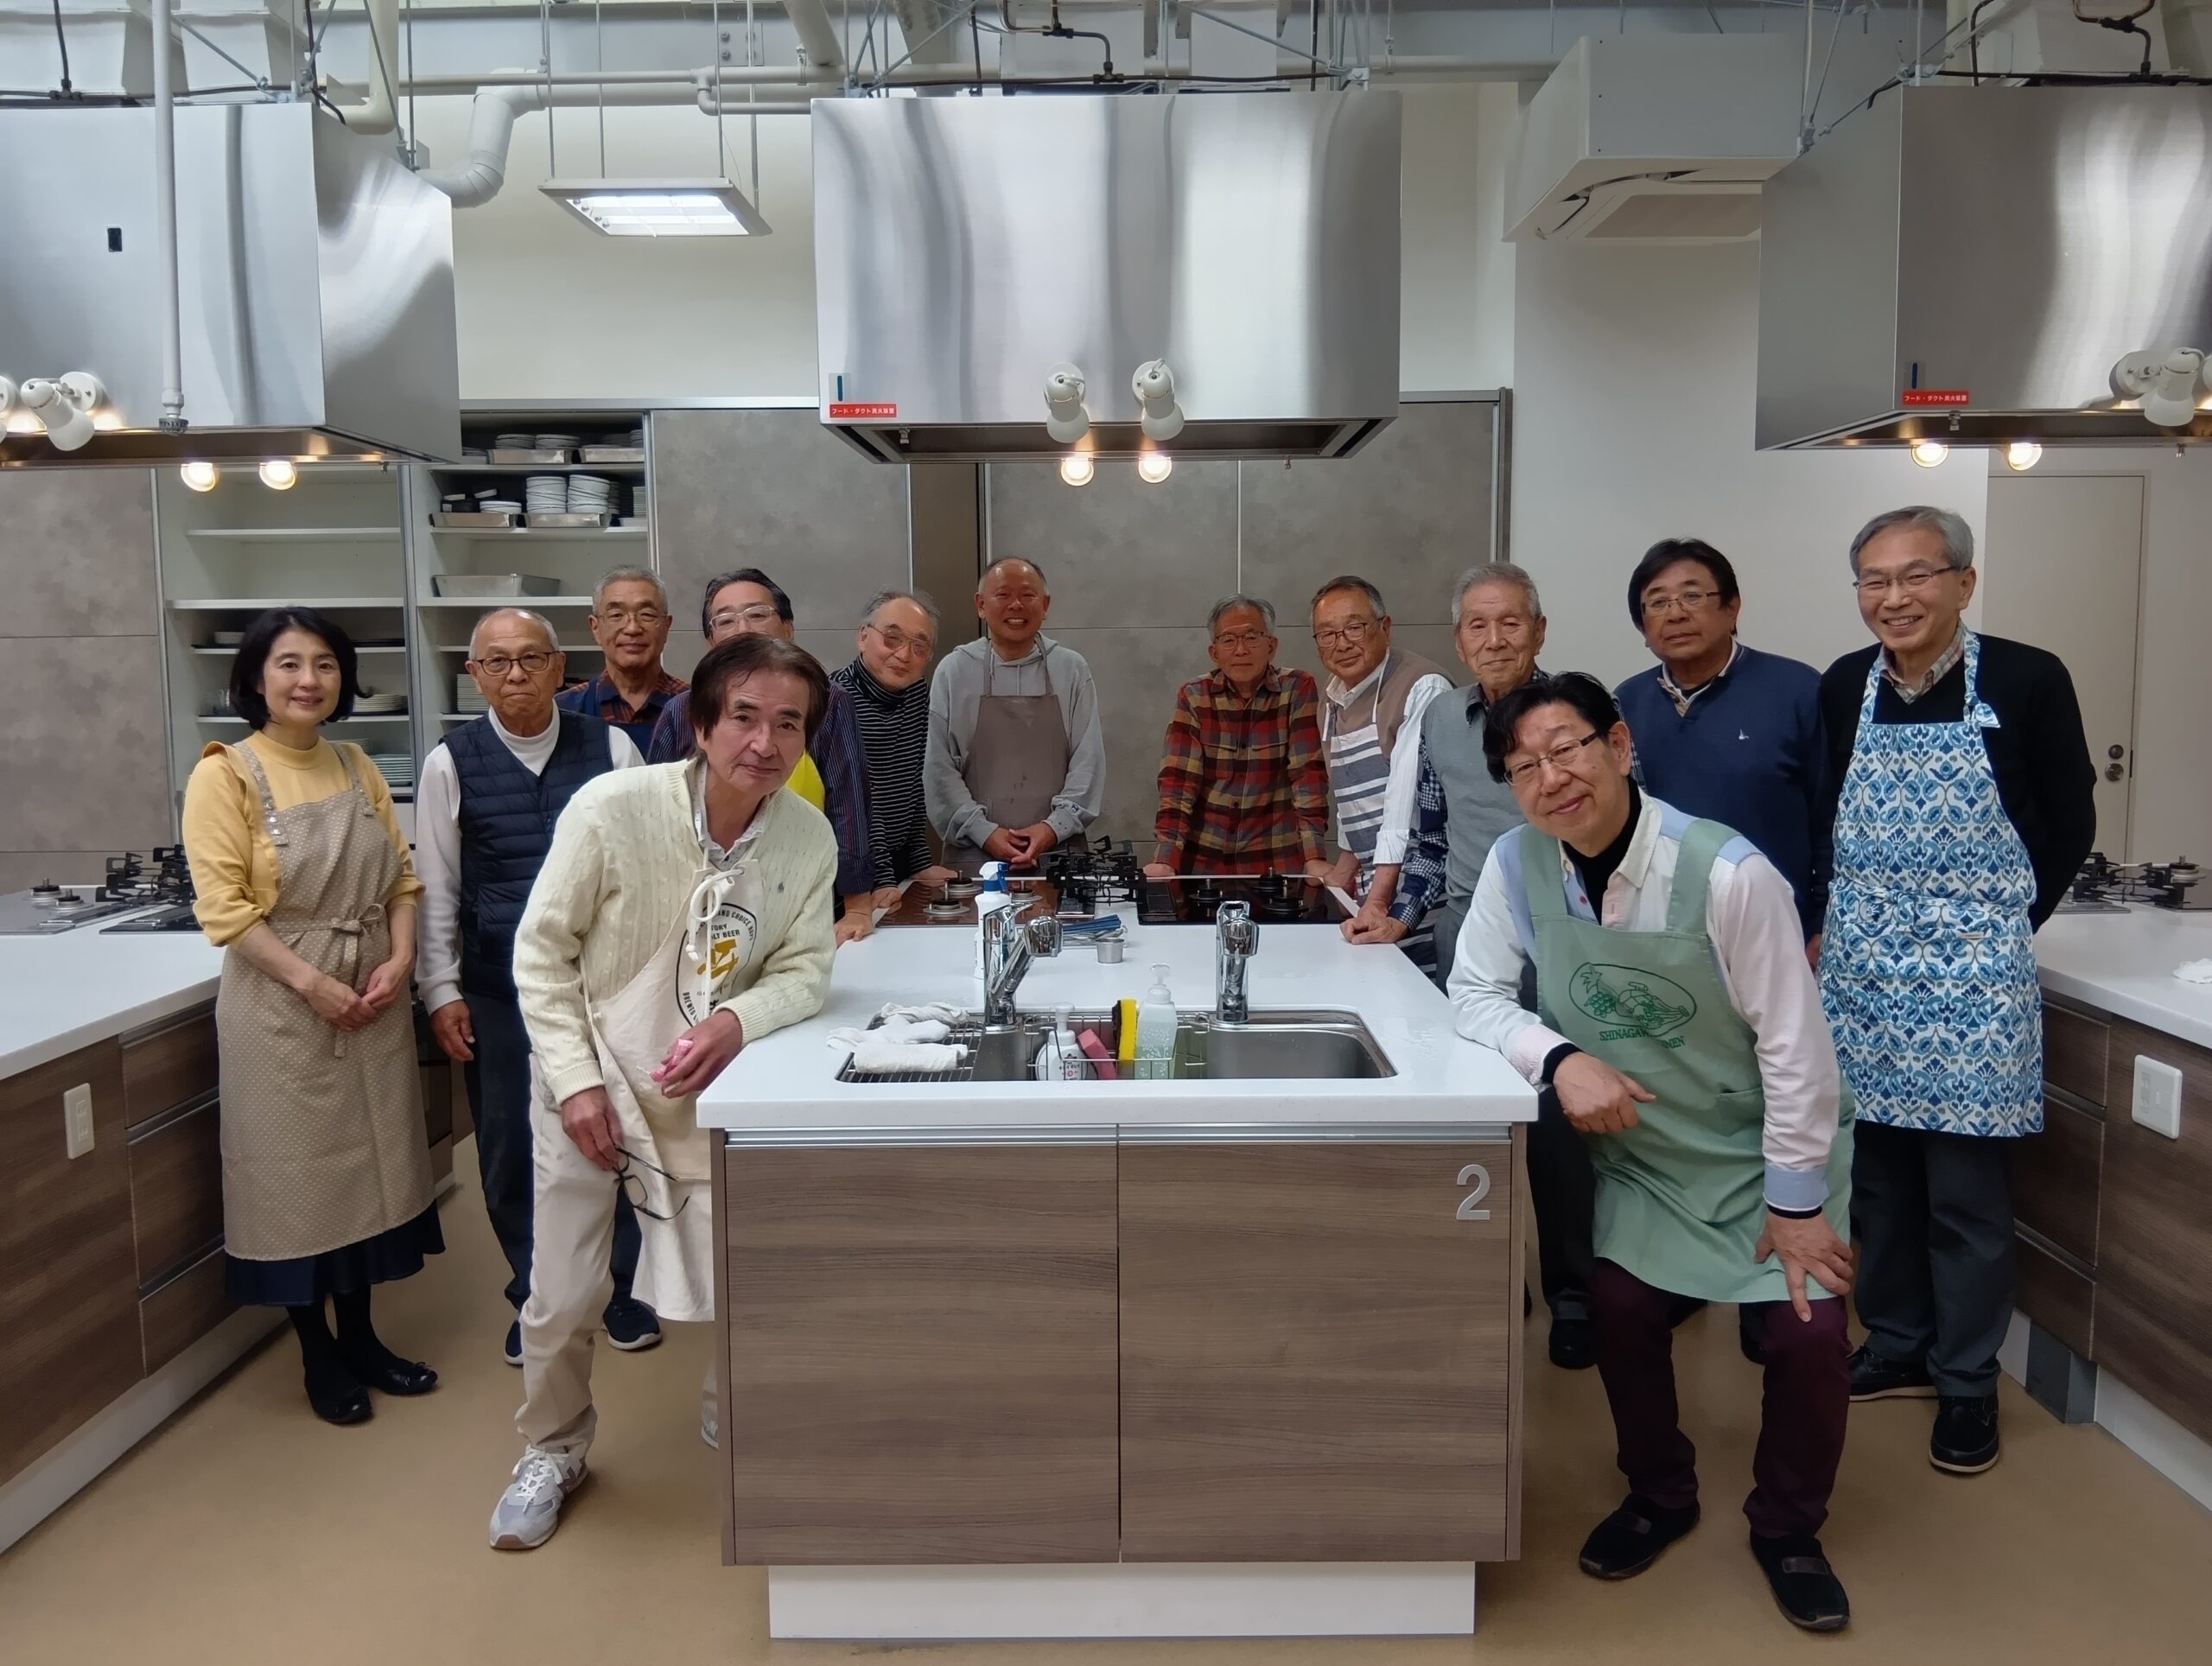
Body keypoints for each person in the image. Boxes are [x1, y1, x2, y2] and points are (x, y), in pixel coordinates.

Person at [1449, 671, 1856, 1633]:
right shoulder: (1516, 864)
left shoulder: (1728, 875)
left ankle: (1788, 1525)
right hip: (1646, 1154)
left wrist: (1796, 1203)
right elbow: (1474, 993)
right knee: (1621, 1311)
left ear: (1620, 746)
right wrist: (1558, 1058)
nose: (1551, 778)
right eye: (1524, 767)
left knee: (1807, 1336)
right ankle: (1660, 1491)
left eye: (1566, 748)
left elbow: (1797, 1049)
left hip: (1765, 1150)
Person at [490, 634, 838, 1551]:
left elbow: (806, 969)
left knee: (740, 1270)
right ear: (702, 723)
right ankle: (552, 1447)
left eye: (789, 723)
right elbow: (541, 954)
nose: (764, 742)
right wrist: (574, 1084)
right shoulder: (612, 809)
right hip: (592, 1077)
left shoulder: (806, 835)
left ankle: (734, 1410)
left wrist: (734, 1022)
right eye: (744, 717)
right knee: (563, 1291)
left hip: (706, 1085)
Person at [1819, 506, 2094, 1478]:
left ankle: (1968, 1380)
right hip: (1864, 970)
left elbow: (2069, 819)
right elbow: (1826, 814)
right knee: (1880, 1181)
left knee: (1966, 1194)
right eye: (1874, 579)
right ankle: (1896, 1342)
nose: (1893, 597)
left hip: (1976, 976)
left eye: (1916, 575)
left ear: (1963, 584)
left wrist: (2001, 924)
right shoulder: (1845, 685)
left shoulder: (2026, 677)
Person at [181, 608, 442, 1427]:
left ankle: (361, 1337)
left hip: (373, 995)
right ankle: (316, 1353)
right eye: (289, 664)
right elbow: (225, 910)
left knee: (369, 1168)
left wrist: (401, 958)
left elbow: (402, 880)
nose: (308, 680)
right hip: (280, 1007)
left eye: (325, 664)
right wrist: (313, 984)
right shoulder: (225, 775)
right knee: (297, 1181)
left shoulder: (356, 764)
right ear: (255, 678)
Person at [1363, 563, 1600, 1370]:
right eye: (1477, 625)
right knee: (1474, 1116)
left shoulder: (1577, 714)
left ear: (1539, 630)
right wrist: (1399, 915)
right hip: (1466, 942)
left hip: (1566, 940)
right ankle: (1499, 1274)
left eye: (1510, 623)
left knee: (1561, 1124)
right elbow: (1431, 837)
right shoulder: (1440, 718)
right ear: (1459, 640)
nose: (1494, 640)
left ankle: (1575, 1295)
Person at [417, 608, 661, 1366]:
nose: (515, 674)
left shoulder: (612, 748)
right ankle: (535, 1293)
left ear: (561, 669)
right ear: (474, 674)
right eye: (497, 662)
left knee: (618, 1134)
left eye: (531, 658)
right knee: (510, 1147)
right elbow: (436, 887)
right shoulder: (449, 763)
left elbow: (645, 870)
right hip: (500, 990)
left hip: (604, 987)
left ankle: (621, 1290)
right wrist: (441, 989)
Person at [1614, 538, 1832, 1367]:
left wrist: (1822, 921)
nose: (1675, 613)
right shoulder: (1628, 704)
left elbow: (1834, 817)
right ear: (1641, 624)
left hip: (1775, 947)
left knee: (1770, 1102)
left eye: (1693, 595)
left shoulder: (1796, 692)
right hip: (1666, 954)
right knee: (1680, 1115)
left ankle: (1765, 1288)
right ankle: (1683, 1273)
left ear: (1732, 606)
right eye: (1656, 602)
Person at [646, 569, 878, 943]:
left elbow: (848, 802)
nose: (743, 628)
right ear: (710, 641)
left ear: (788, 628)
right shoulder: (682, 711)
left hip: (801, 894)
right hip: (701, 907)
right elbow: (660, 811)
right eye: (725, 620)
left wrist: (857, 908)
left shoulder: (827, 700)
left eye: (756, 614)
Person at [925, 556, 1105, 874]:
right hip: (974, 861)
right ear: (981, 605)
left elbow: (1088, 762)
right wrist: (984, 832)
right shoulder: (954, 671)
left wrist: (1052, 828)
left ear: (1045, 605)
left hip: (1059, 857)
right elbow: (938, 770)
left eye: (1027, 595)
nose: (1016, 605)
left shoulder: (1072, 669)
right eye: (1003, 595)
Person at [1312, 575, 1453, 962]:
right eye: (1327, 634)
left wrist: (1379, 899)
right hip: (1373, 887)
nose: (1342, 643)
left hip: (1420, 886)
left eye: (1355, 627)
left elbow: (1403, 805)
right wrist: (1345, 871)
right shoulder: (1331, 698)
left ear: (1385, 627)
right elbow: (1348, 798)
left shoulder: (1423, 686)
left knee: (1420, 983)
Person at [1144, 595, 1331, 878]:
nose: (1241, 650)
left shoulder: (1298, 689)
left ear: (1272, 646)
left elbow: (1308, 779)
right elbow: (1178, 783)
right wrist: (1166, 859)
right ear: (1214, 652)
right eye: (1229, 640)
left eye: (1252, 638)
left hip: (1276, 866)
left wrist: (1313, 857)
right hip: (1203, 866)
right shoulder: (1194, 696)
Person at [830, 588, 958, 909]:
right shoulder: (836, 699)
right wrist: (882, 878)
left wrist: (919, 863)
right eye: (892, 639)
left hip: (894, 867)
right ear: (863, 637)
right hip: (849, 877)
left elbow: (915, 781)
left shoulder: (915, 693)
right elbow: (856, 802)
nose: (904, 655)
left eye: (919, 646)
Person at [555, 565, 685, 749]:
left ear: (666, 626)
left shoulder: (698, 707)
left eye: (647, 615)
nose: (632, 628)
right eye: (616, 615)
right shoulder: (562, 711)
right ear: (595, 628)